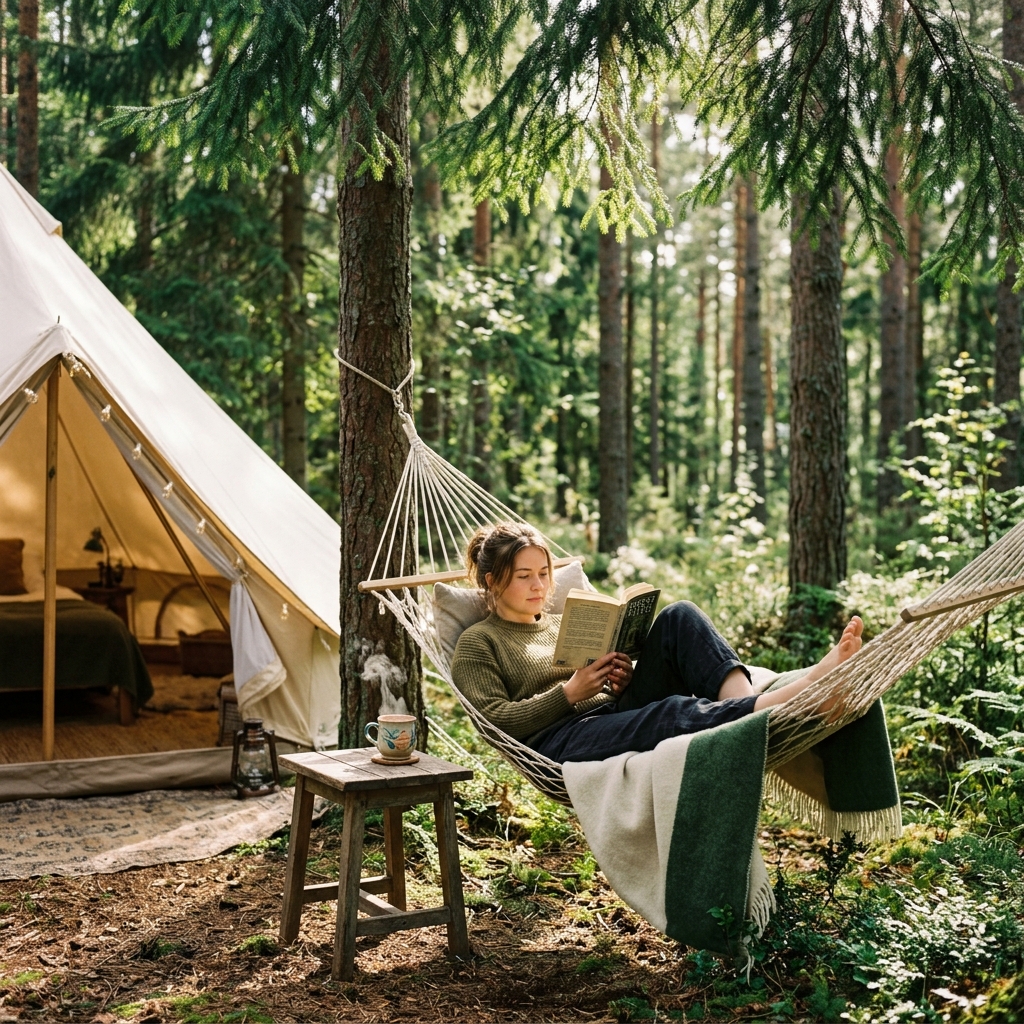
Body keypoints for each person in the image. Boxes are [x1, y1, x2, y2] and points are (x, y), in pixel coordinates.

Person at [451, 522, 864, 764]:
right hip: (560, 739)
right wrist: (570, 693)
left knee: (679, 615)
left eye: (543, 573)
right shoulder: (478, 642)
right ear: (492, 580)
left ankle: (741, 707)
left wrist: (619, 679)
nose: (539, 584)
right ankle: (784, 702)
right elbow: (494, 721)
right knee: (669, 714)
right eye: (524, 576)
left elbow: (605, 687)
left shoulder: (567, 621)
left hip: (611, 711)